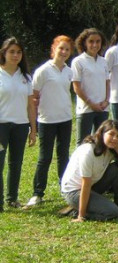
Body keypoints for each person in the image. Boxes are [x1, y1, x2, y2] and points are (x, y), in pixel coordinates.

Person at [60, 120, 118, 222]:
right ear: (102, 133)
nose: (115, 138)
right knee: (113, 212)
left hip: (93, 185)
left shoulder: (109, 149)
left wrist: (116, 146)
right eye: (111, 134)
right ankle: (75, 211)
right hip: (74, 192)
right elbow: (85, 183)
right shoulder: (88, 151)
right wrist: (81, 215)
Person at [26, 36, 74, 207]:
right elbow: (34, 97)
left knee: (63, 156)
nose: (64, 52)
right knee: (45, 157)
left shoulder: (69, 71)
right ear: (53, 49)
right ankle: (37, 193)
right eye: (61, 48)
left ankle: (65, 188)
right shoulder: (43, 71)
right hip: (47, 120)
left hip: (65, 118)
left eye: (67, 49)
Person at [0, 37, 37, 210]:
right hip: (1, 126)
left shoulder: (26, 77)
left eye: (18, 52)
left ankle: (12, 198)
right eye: (11, 52)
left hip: (21, 126)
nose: (15, 55)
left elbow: (30, 105)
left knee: (16, 163)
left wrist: (33, 129)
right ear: (4, 53)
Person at [72, 28, 110, 145]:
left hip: (102, 108)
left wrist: (106, 101)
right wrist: (91, 104)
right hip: (86, 109)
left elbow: (107, 83)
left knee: (100, 141)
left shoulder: (103, 61)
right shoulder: (78, 61)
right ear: (84, 43)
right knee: (83, 142)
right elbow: (76, 87)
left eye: (98, 41)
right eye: (91, 41)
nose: (95, 44)